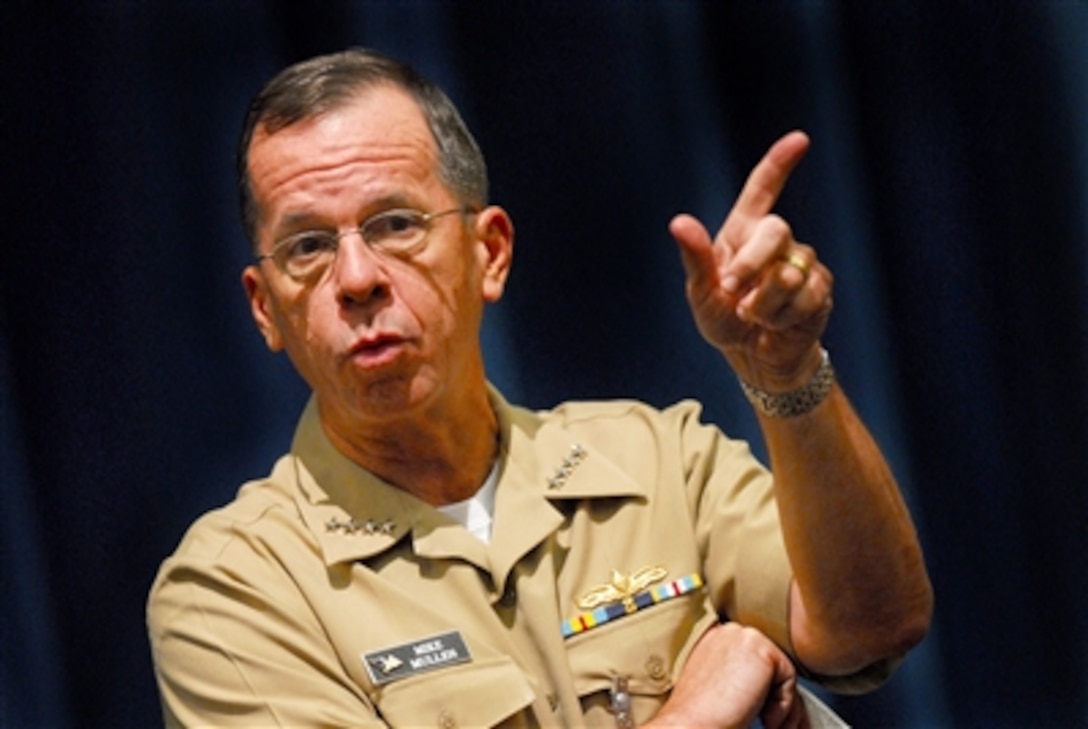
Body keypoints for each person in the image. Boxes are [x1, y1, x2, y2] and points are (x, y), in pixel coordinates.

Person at [147, 48, 932, 728]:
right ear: (264, 306)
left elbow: (873, 624)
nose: (356, 279)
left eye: (394, 224)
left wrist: (787, 372)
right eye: (309, 245)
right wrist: (695, 712)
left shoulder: (658, 462)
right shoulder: (231, 591)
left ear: (488, 252)